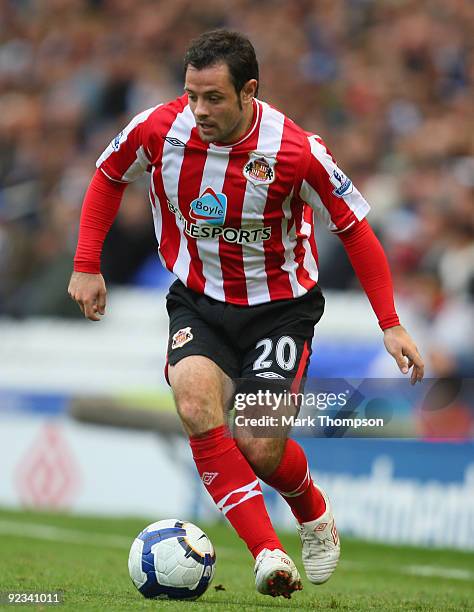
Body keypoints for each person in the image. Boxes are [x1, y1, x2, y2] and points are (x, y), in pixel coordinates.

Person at [68, 29, 424, 599]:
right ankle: (267, 553)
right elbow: (109, 175)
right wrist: (87, 262)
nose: (199, 109)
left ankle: (312, 508)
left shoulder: (296, 150)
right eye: (191, 95)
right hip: (199, 301)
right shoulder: (159, 129)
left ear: (248, 91)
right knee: (193, 400)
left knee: (259, 445)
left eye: (213, 97)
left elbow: (355, 229)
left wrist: (390, 322)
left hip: (280, 310)